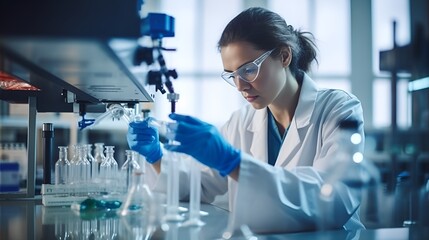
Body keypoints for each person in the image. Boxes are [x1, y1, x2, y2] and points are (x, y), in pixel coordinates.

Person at [128, 7, 365, 233]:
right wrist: (157, 156)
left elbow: (335, 198)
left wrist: (234, 163)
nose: (240, 86)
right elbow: (199, 185)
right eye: (232, 75)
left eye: (248, 70)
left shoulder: (338, 109)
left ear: (284, 56)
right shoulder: (240, 122)